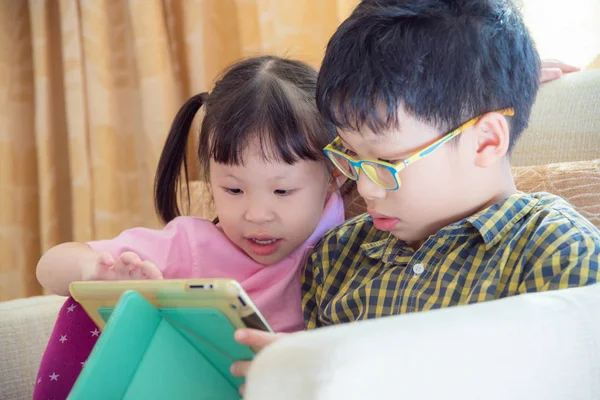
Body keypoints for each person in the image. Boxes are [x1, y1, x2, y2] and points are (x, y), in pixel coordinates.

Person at [231, 0, 600, 390]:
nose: (366, 187)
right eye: (351, 155)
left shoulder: (559, 253)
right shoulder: (336, 256)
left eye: (387, 161)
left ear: (485, 142)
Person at [33, 55, 345, 400]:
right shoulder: (194, 244)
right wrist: (93, 271)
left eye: (283, 191)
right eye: (233, 190)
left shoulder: (358, 241)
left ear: (335, 174)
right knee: (80, 309)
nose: (257, 215)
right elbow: (49, 268)